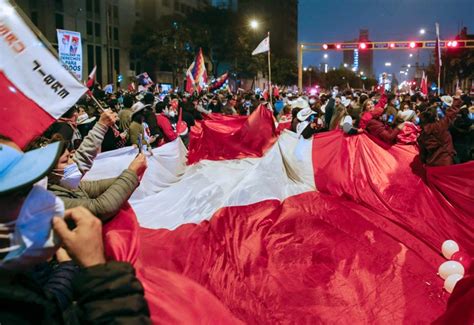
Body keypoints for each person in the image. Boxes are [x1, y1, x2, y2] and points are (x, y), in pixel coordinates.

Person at [0, 138, 151, 324]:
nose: (44, 199)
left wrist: (130, 175)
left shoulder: (17, 274)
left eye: (34, 185)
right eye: (20, 193)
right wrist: (97, 271)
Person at [418, 97, 461, 166]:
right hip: (446, 162)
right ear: (436, 117)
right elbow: (451, 114)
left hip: (432, 164)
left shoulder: (423, 133)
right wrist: (457, 99)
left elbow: (423, 153)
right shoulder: (440, 126)